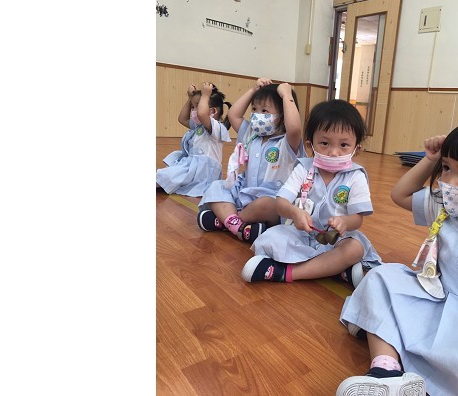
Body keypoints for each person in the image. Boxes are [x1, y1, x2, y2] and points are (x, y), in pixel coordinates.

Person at [336, 119, 458, 396]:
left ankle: (387, 337)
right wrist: (430, 159)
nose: (450, 182)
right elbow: (399, 194)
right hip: (435, 298)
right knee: (380, 277)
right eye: (447, 168)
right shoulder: (444, 205)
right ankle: (386, 372)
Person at [240, 99, 382, 288]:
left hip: (337, 239)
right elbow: (281, 202)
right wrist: (294, 213)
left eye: (344, 145)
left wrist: (344, 222)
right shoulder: (303, 168)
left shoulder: (356, 176)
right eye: (324, 143)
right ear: (310, 145)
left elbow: (357, 219)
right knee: (269, 238)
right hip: (300, 234)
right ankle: (335, 269)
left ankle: (287, 272)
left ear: (357, 149)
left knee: (354, 249)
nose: (333, 152)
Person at [197, 77, 305, 244]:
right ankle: (240, 226)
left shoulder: (287, 142)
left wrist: (286, 96)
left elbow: (295, 128)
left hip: (270, 199)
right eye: (254, 109)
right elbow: (233, 114)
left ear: (283, 116)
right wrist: (253, 90)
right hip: (244, 192)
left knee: (268, 204)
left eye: (265, 111)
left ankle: (227, 220)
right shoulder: (250, 133)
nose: (257, 115)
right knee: (216, 187)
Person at [156, 82, 232, 197]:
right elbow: (182, 119)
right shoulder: (199, 125)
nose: (193, 111)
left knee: (166, 176)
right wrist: (189, 98)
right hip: (191, 166)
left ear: (213, 111)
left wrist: (206, 95)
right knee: (167, 175)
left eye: (197, 106)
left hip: (203, 171)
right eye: (193, 107)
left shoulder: (216, 127)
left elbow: (202, 114)